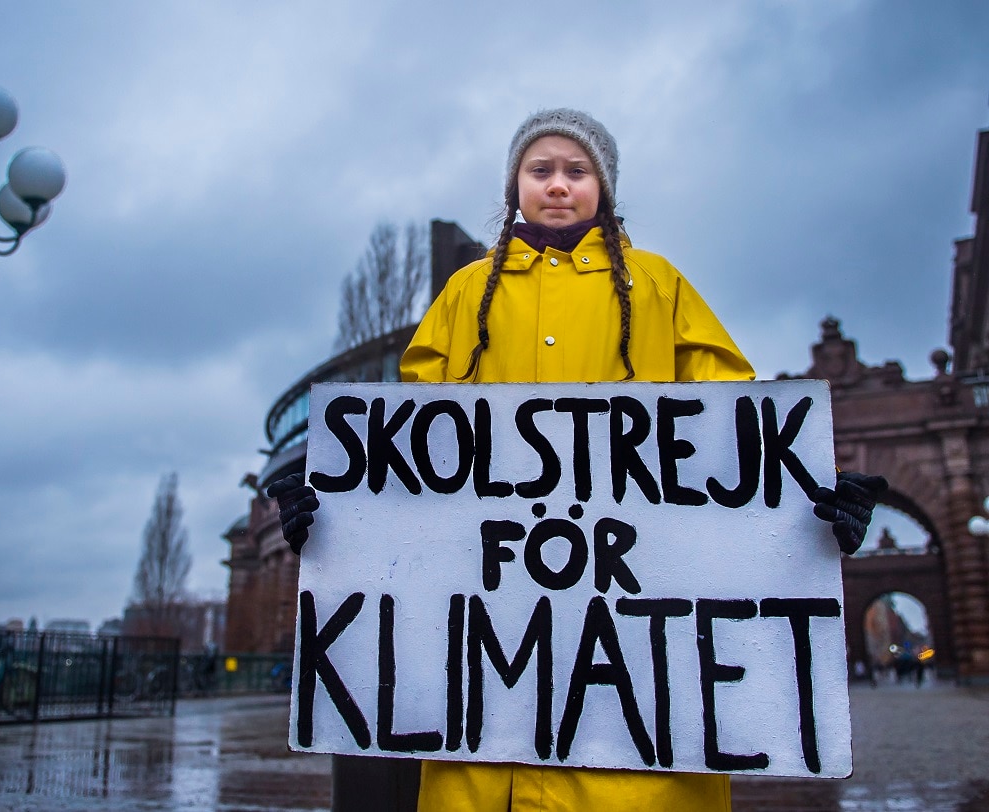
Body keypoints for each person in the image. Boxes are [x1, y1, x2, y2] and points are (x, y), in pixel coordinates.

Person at [269, 108, 886, 812]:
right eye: (540, 170)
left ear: (605, 187)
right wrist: (339, 510)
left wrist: (806, 502)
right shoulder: (466, 295)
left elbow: (730, 438)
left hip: (641, 740)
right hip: (484, 729)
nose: (558, 185)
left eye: (576, 170)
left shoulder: (662, 287)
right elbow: (413, 456)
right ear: (514, 187)